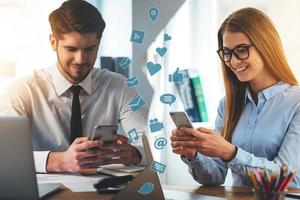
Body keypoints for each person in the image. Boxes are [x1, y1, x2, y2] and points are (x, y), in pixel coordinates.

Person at [0, 0, 146, 173]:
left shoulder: (120, 86)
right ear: (53, 42)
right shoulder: (23, 90)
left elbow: (151, 144)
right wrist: (58, 161)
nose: (80, 59)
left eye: (89, 49)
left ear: (98, 45)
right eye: (71, 49)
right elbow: (4, 153)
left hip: (102, 192)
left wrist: (135, 153)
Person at [170, 7, 300, 187]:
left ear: (266, 45)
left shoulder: (296, 103)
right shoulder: (227, 105)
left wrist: (230, 153)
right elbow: (215, 177)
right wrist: (194, 154)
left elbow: (286, 179)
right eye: (227, 52)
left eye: (241, 49)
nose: (233, 61)